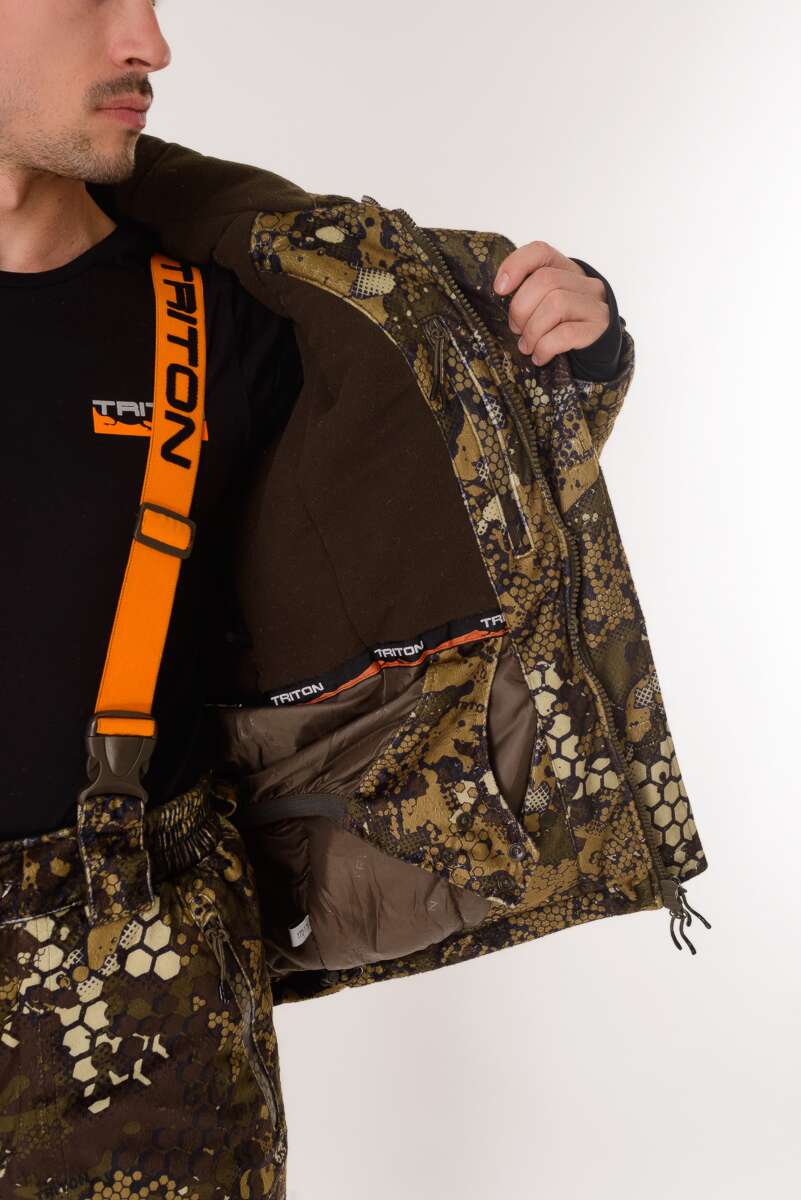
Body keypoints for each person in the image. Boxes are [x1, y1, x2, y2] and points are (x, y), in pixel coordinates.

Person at [0, 2, 627, 1196]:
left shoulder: (236, 318)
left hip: (144, 999)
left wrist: (572, 344)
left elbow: (463, 505)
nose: (149, 43)